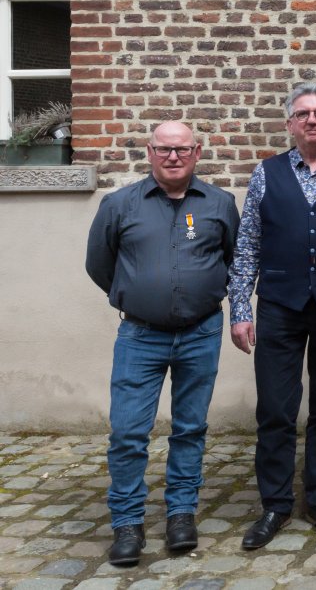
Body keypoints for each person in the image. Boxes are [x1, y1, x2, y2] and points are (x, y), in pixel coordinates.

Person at [85, 121, 239, 566]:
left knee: (190, 429)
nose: (174, 157)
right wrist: (139, 294)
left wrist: (202, 293)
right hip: (140, 335)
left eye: (183, 150)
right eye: (165, 150)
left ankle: (181, 516)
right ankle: (128, 524)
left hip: (201, 333)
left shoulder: (220, 204)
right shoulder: (119, 205)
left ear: (197, 152)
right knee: (129, 433)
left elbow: (232, 259)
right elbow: (100, 265)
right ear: (149, 152)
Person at [228, 83, 316, 550]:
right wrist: (239, 309)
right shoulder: (266, 173)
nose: (312, 120)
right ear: (290, 123)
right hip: (280, 305)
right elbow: (247, 244)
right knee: (275, 408)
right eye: (302, 113)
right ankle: (274, 504)